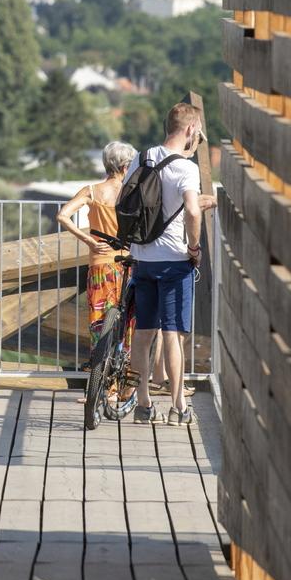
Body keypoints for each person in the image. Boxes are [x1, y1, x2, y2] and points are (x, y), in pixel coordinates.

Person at [127, 104, 216, 426]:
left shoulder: (141, 157)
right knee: (173, 335)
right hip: (174, 261)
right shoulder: (185, 168)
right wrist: (194, 247)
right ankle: (178, 406)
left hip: (142, 258)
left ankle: (143, 403)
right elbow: (192, 210)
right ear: (192, 130)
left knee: (143, 334)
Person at [56, 141, 136, 405]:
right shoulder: (131, 193)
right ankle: (124, 386)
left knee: (99, 325)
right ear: (126, 166)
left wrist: (89, 240)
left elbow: (63, 215)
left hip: (100, 266)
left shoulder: (92, 190)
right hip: (127, 264)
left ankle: (101, 387)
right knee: (126, 326)